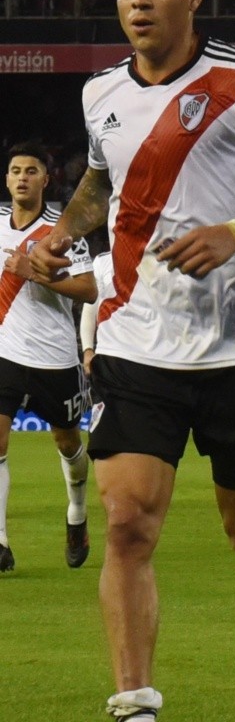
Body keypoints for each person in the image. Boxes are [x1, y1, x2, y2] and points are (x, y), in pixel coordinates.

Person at [29, 0, 235, 718]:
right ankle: (135, 703)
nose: (139, 0)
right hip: (135, 341)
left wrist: (234, 233)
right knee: (127, 523)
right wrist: (62, 235)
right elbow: (101, 184)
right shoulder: (101, 92)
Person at [0, 142, 96, 574]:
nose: (22, 177)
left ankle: (76, 513)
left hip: (54, 357)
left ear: (45, 178)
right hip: (5, 352)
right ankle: (0, 540)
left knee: (68, 443)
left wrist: (35, 273)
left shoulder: (63, 230)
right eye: (15, 170)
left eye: (31, 170)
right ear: (7, 179)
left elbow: (89, 289)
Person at [80, 250, 114, 376]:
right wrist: (88, 349)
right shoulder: (103, 261)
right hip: (111, 352)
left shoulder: (158, 258)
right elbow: (90, 309)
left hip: (153, 352)